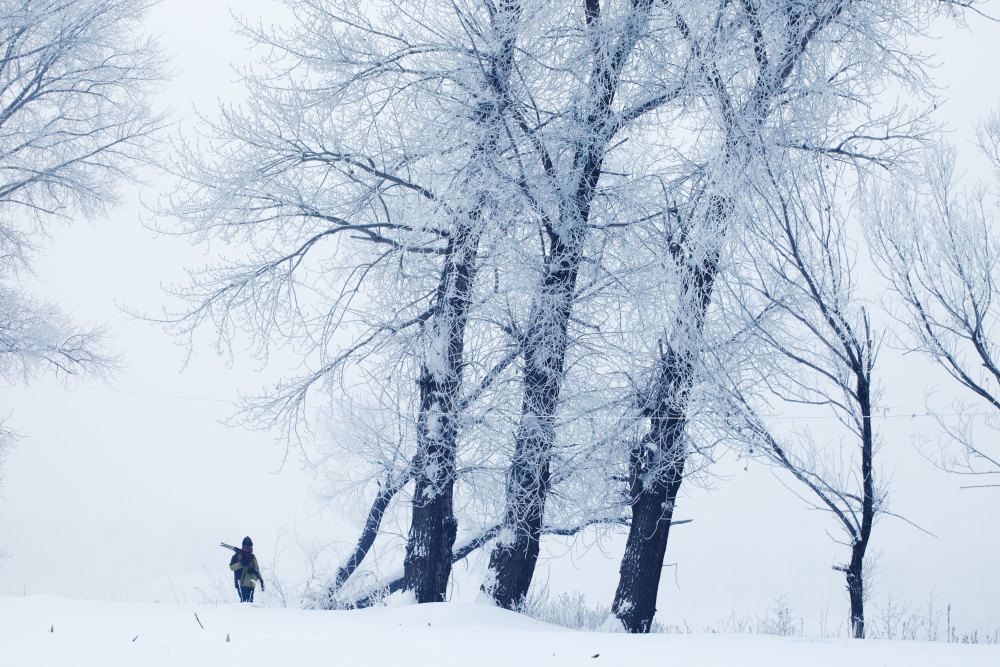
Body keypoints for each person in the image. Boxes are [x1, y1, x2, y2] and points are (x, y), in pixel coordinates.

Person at [229, 536, 263, 602]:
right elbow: (231, 567)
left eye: (250, 544)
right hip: (241, 583)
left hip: (252, 583)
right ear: (243, 545)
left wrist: (261, 581)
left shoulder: (252, 557)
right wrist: (241, 563)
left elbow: (257, 569)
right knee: (244, 604)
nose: (248, 546)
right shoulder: (238, 555)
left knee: (250, 603)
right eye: (246, 544)